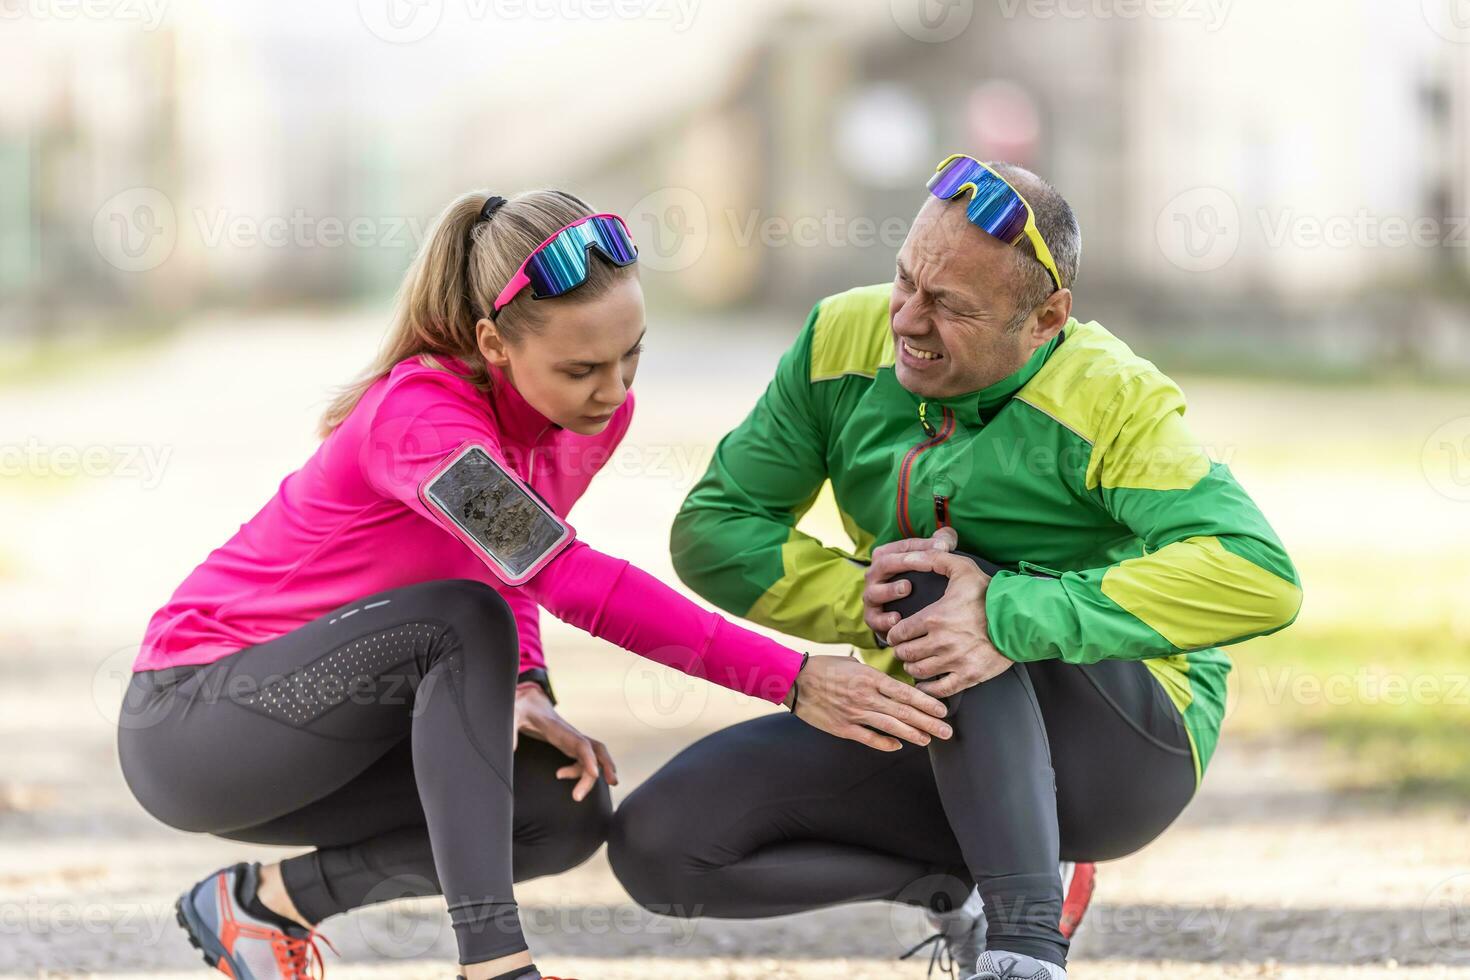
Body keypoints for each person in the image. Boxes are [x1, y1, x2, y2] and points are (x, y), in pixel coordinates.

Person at [116, 189, 953, 980]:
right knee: (458, 620)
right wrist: (793, 678)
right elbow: (558, 575)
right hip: (197, 722)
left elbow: (508, 562)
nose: (614, 391)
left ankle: (262, 907)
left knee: (559, 810)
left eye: (632, 356)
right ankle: (496, 963)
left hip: (341, 727)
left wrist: (525, 683)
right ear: (493, 345)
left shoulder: (583, 417)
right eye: (583, 367)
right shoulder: (422, 419)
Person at [608, 156, 1303, 980]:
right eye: (905, 280)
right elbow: (713, 527)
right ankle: (959, 891)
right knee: (663, 845)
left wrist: (1010, 611)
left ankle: (1025, 949)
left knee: (948, 592)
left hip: (1125, 749)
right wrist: (859, 599)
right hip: (935, 718)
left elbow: (1258, 571)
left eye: (949, 306)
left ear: (1046, 318)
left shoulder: (1111, 397)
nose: (907, 318)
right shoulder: (841, 340)